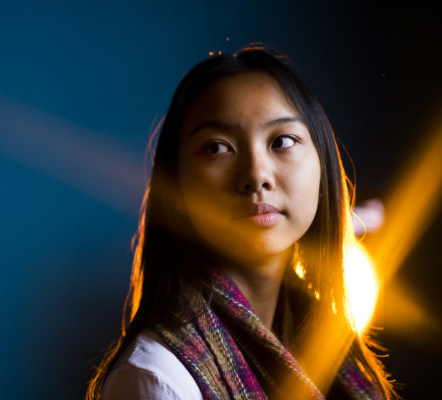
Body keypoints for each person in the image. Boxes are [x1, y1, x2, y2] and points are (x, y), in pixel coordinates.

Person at [86, 45, 397, 400]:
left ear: (322, 166)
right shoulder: (159, 379)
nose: (256, 175)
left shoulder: (329, 350)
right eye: (217, 148)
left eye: (282, 141)